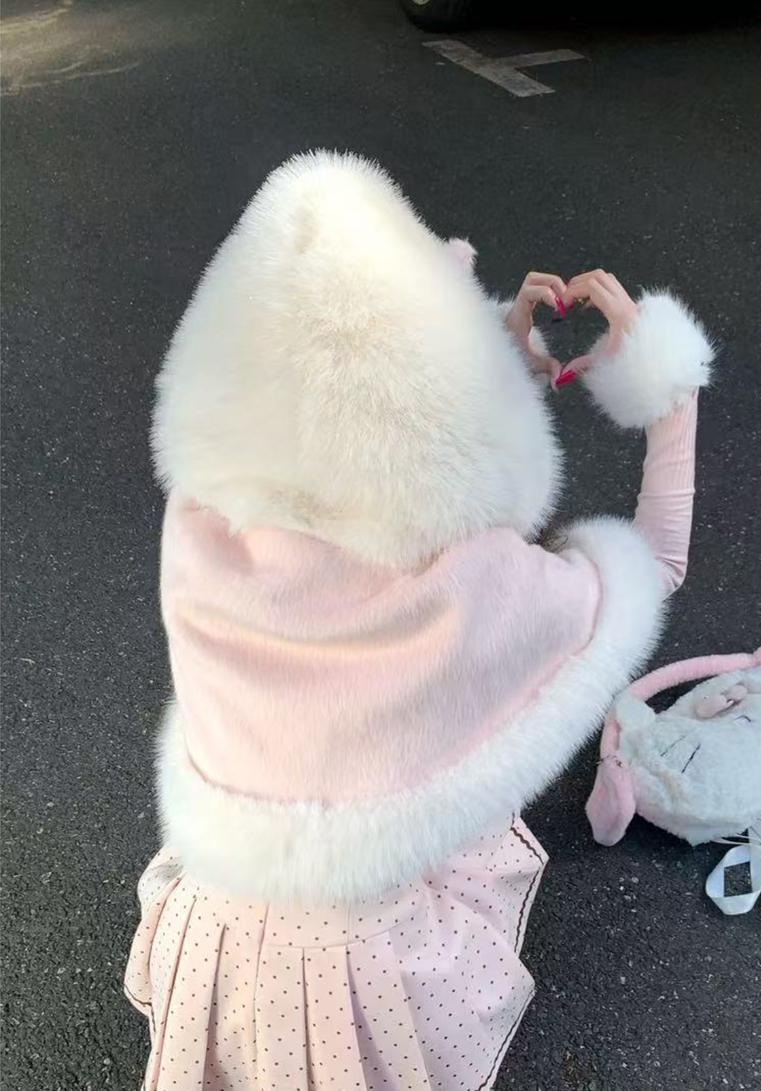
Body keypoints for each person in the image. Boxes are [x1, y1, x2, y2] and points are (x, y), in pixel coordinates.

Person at [123, 151, 715, 1091]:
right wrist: (663, 402)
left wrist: (490, 353)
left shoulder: (202, 527)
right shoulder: (464, 586)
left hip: (224, 921)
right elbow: (651, 572)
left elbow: (335, 390)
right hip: (365, 961)